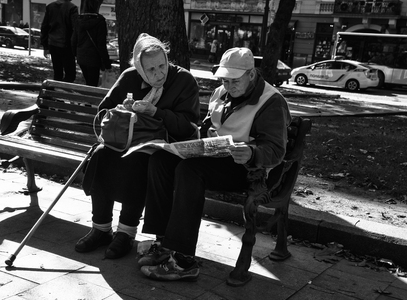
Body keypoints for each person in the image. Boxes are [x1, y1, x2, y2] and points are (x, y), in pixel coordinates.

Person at [138, 47, 292, 281]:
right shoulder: (220, 92)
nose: (228, 86)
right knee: (160, 160)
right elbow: (210, 125)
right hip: (216, 158)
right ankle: (164, 243)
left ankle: (183, 261)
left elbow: (276, 151)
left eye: (234, 80)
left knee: (189, 171)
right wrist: (202, 135)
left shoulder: (271, 101)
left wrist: (251, 152)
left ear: (251, 74)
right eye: (224, 79)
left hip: (249, 169)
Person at [75, 33, 200, 259]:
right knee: (101, 154)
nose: (158, 73)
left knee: (138, 160)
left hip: (165, 147)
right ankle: (101, 227)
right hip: (125, 140)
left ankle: (126, 232)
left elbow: (188, 127)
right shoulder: (130, 77)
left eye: (162, 65)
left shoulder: (183, 81)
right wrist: (122, 111)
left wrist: (156, 112)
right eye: (150, 70)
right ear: (139, 68)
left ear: (167, 59)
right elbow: (104, 110)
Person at [71, 0, 111, 86]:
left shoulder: (78, 20)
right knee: (93, 83)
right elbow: (101, 45)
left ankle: (86, 97)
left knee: (88, 81)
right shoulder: (100, 22)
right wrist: (107, 63)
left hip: (81, 56)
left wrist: (75, 54)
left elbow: (74, 40)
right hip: (94, 58)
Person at [40, 0, 78, 82]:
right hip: (66, 44)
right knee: (70, 74)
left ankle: (56, 90)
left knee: (57, 72)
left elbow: (45, 26)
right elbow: (75, 27)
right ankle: (63, 91)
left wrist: (45, 45)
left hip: (53, 42)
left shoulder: (51, 7)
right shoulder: (72, 8)